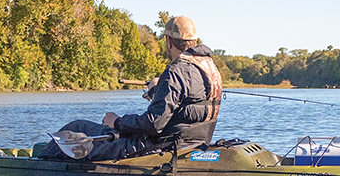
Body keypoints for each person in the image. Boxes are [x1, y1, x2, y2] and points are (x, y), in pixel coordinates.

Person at [43, 15, 223, 161]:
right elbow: (183, 107)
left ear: (168, 41)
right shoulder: (209, 69)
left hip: (156, 146)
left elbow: (154, 124)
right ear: (194, 41)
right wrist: (155, 90)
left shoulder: (175, 71)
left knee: (78, 126)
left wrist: (117, 122)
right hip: (188, 143)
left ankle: (37, 163)